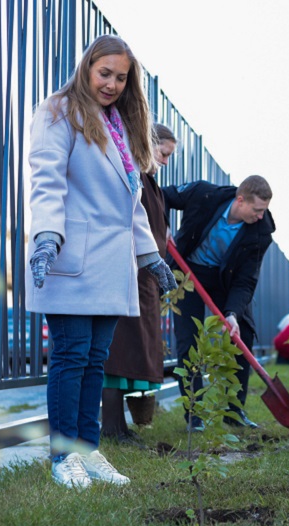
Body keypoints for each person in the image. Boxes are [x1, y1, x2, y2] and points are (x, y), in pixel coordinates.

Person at [25, 35, 177, 489]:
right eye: (104, 73)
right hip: (71, 253)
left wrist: (150, 257)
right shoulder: (59, 111)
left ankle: (88, 451)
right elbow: (46, 178)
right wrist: (47, 235)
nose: (111, 84)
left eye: (121, 77)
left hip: (112, 265)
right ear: (87, 67)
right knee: (71, 356)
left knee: (94, 360)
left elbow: (130, 206)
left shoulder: (118, 126)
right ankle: (62, 458)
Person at [162, 175, 274, 431]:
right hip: (188, 273)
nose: (260, 216)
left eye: (264, 211)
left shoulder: (261, 231)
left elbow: (246, 280)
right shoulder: (204, 194)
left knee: (242, 333)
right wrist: (163, 225)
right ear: (240, 199)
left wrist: (232, 313)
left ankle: (234, 412)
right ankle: (195, 415)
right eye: (257, 210)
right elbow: (161, 196)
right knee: (187, 341)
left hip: (227, 280)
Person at [100, 123, 179, 441]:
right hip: (127, 276)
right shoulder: (132, 177)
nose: (166, 161)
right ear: (148, 144)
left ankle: (119, 427)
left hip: (143, 280)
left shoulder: (151, 183)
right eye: (164, 153)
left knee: (132, 353)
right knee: (119, 353)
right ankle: (112, 427)